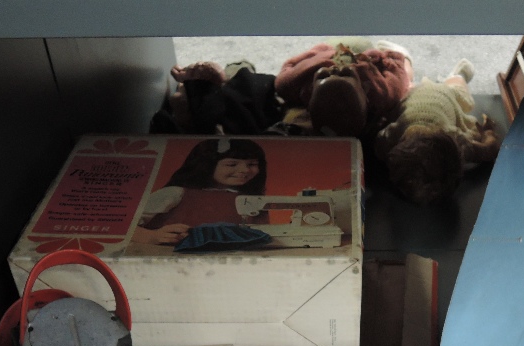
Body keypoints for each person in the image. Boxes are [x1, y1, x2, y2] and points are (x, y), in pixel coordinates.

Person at [376, 60, 501, 205]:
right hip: (424, 95)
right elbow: (490, 149)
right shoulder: (395, 132)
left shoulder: (457, 141)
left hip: (436, 97)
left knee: (454, 89)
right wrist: (489, 133)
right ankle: (411, 62)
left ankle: (455, 74)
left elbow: (490, 149)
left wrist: (488, 133)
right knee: (411, 86)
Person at [133, 138, 268, 246]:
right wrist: (152, 237)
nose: (245, 170)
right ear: (207, 165)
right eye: (232, 164)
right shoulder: (176, 193)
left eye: (252, 164)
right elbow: (126, 227)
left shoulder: (252, 200)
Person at [275, 40, 414, 137]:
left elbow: (288, 68)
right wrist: (389, 57)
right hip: (369, 62)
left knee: (349, 42)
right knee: (407, 78)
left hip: (331, 52)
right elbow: (398, 78)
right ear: (365, 92)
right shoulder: (380, 94)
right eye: (346, 74)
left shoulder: (297, 83)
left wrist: (318, 51)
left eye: (323, 75)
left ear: (308, 99)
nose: (336, 69)